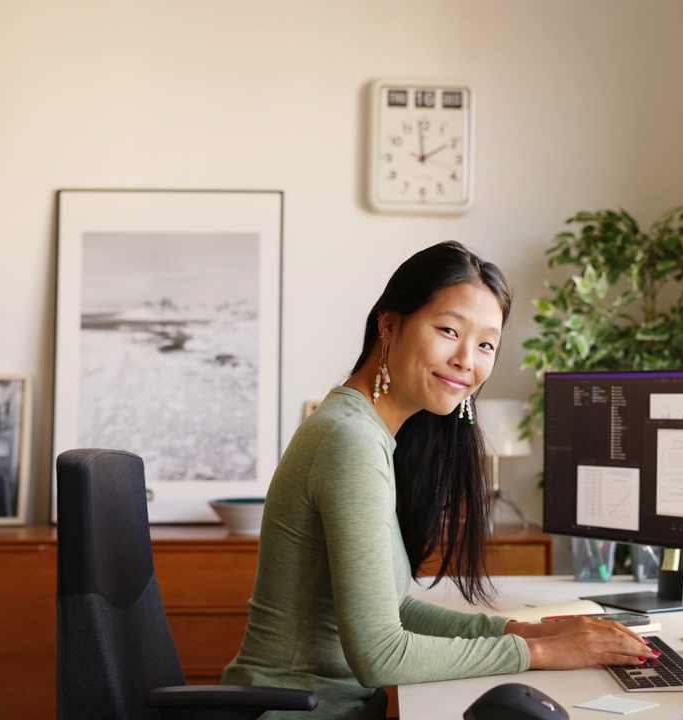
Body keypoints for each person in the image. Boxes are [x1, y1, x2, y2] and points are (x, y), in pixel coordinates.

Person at [222, 241, 654, 719]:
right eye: (449, 330)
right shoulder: (349, 441)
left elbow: (393, 611)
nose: (467, 360)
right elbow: (380, 654)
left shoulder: (367, 431)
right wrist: (541, 653)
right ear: (389, 324)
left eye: (486, 344)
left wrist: (526, 632)